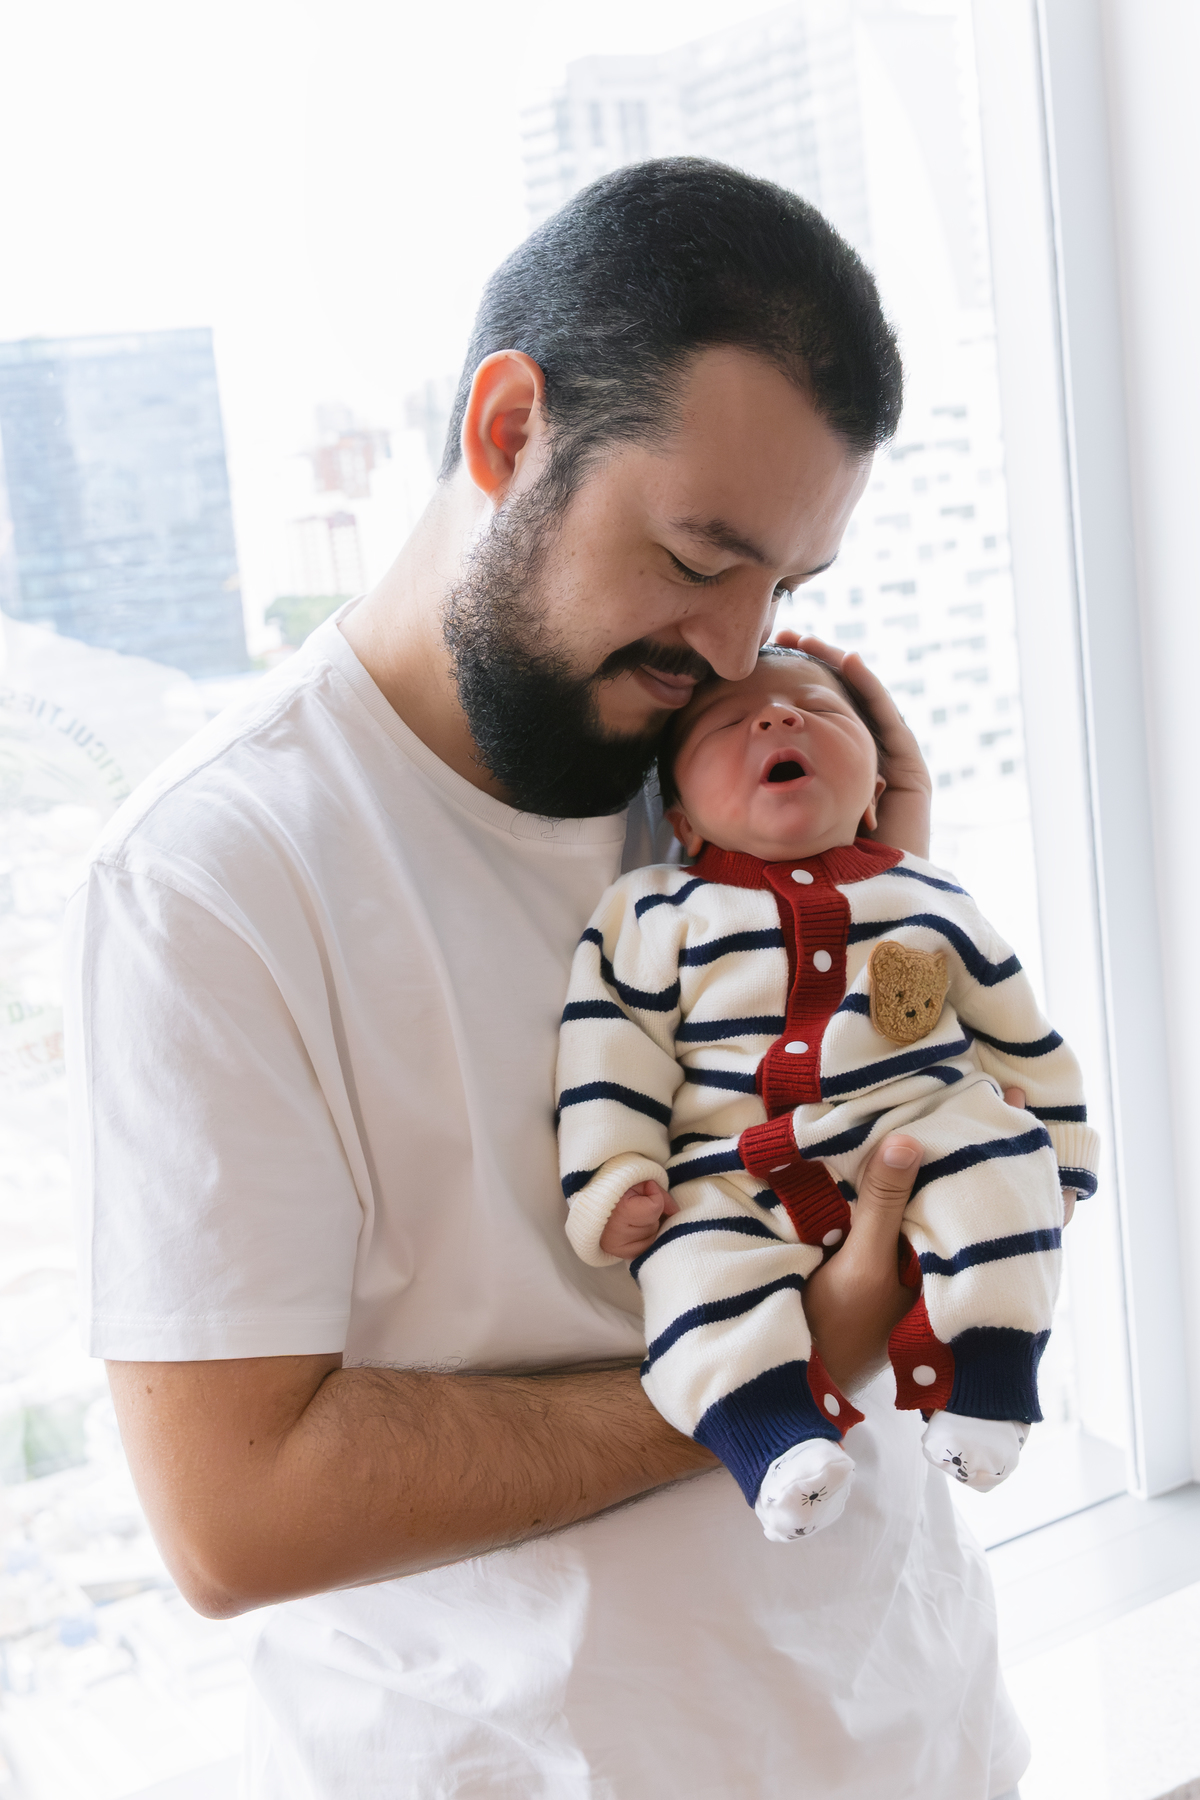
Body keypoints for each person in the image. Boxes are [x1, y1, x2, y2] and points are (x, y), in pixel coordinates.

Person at [66, 160, 1032, 1796]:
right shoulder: (213, 884)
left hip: (926, 1742)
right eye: (694, 554)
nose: (735, 649)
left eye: (784, 589)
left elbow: (948, 1188)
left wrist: (893, 916)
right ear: (510, 430)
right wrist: (775, 1376)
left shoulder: (739, 761)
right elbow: (238, 1509)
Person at [557, 646, 1098, 1543]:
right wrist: (613, 1177)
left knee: (1003, 1160)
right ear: (683, 820)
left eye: (818, 709)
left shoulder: (927, 893)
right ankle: (776, 1442)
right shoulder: (651, 911)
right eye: (730, 724)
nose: (776, 720)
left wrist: (1061, 1153)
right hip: (736, 1176)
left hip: (922, 1132)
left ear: (876, 791)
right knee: (695, 1274)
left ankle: (988, 1389)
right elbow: (609, 1052)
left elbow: (1019, 1030)